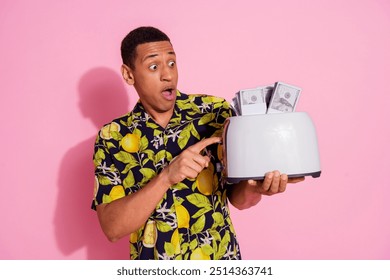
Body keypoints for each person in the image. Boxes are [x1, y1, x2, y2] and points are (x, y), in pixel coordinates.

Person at [91, 26, 304, 260]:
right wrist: (167, 176)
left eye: (172, 63)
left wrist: (257, 188)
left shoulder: (214, 112)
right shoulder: (112, 136)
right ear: (129, 75)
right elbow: (112, 229)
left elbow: (239, 199)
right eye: (154, 66)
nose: (168, 75)